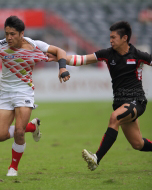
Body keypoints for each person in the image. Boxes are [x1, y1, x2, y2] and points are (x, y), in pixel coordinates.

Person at [0, 15, 70, 176]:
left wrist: (62, 68)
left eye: (13, 34)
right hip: (5, 93)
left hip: (24, 91)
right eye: (7, 33)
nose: (9, 37)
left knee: (19, 132)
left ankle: (13, 168)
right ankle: (32, 126)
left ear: (22, 34)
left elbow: (60, 51)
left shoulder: (34, 45)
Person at [48, 21, 152, 171]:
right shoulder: (107, 54)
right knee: (138, 144)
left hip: (137, 101)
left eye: (113, 37)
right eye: (110, 37)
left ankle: (96, 158)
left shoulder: (138, 55)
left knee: (114, 118)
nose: (110, 40)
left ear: (125, 38)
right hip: (120, 103)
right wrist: (60, 59)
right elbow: (81, 60)